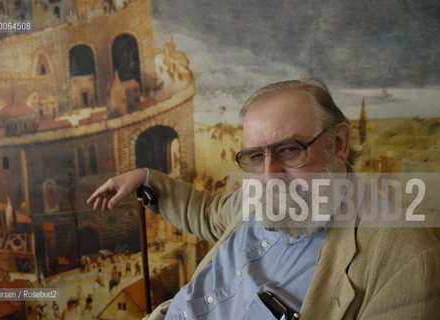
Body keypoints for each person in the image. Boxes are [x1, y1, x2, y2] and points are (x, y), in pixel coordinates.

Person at [87, 78, 440, 319]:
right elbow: (207, 212)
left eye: (289, 149)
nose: (270, 174)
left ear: (340, 143)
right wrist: (146, 178)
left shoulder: (406, 256)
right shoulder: (258, 196)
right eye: (256, 156)